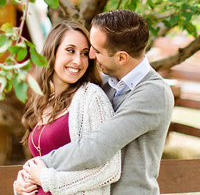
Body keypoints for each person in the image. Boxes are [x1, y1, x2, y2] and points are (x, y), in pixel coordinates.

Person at [21, 10, 174, 195]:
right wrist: (27, 180)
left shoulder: (153, 93)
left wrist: (39, 166)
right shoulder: (104, 83)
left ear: (121, 58)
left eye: (95, 50)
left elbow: (96, 147)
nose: (91, 56)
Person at [13, 20, 121, 195]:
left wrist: (47, 180)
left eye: (85, 53)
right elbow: (42, 163)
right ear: (52, 52)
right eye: (70, 51)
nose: (78, 61)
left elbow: (110, 169)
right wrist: (22, 183)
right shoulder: (43, 99)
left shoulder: (92, 98)